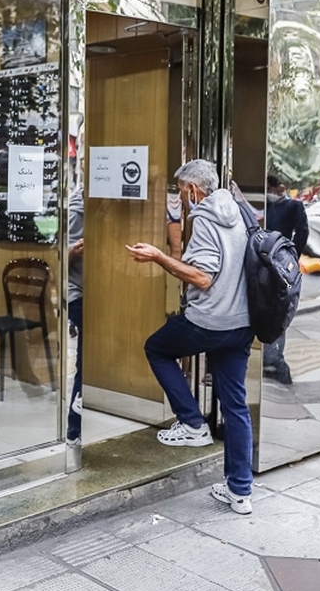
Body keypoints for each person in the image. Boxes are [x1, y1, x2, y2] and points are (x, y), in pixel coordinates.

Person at [126, 159, 255, 515]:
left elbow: (202, 277)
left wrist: (158, 257)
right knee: (236, 405)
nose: (180, 197)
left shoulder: (203, 219)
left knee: (156, 348)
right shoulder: (238, 210)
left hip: (210, 321)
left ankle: (193, 424)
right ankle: (240, 492)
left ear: (193, 190)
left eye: (181, 190)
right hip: (241, 323)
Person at [263, 175, 309, 384]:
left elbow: (302, 232)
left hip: (280, 265)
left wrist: (290, 257)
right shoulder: (263, 205)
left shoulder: (293, 207)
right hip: (260, 264)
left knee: (278, 311)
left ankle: (275, 362)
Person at [66, 187, 85, 446]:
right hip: (76, 294)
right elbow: (58, 254)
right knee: (87, 357)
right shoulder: (76, 211)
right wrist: (74, 251)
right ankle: (73, 429)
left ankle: (75, 428)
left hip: (101, 293)